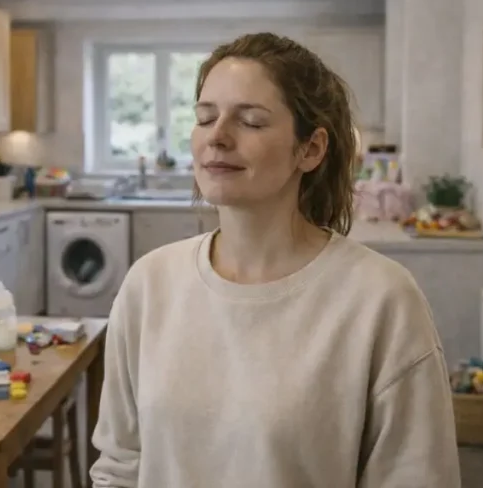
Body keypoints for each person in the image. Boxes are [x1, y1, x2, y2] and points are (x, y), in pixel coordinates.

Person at [90, 32, 460, 487]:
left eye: (251, 121)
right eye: (206, 118)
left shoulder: (381, 299)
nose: (218, 137)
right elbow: (120, 465)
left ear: (311, 149)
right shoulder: (149, 284)